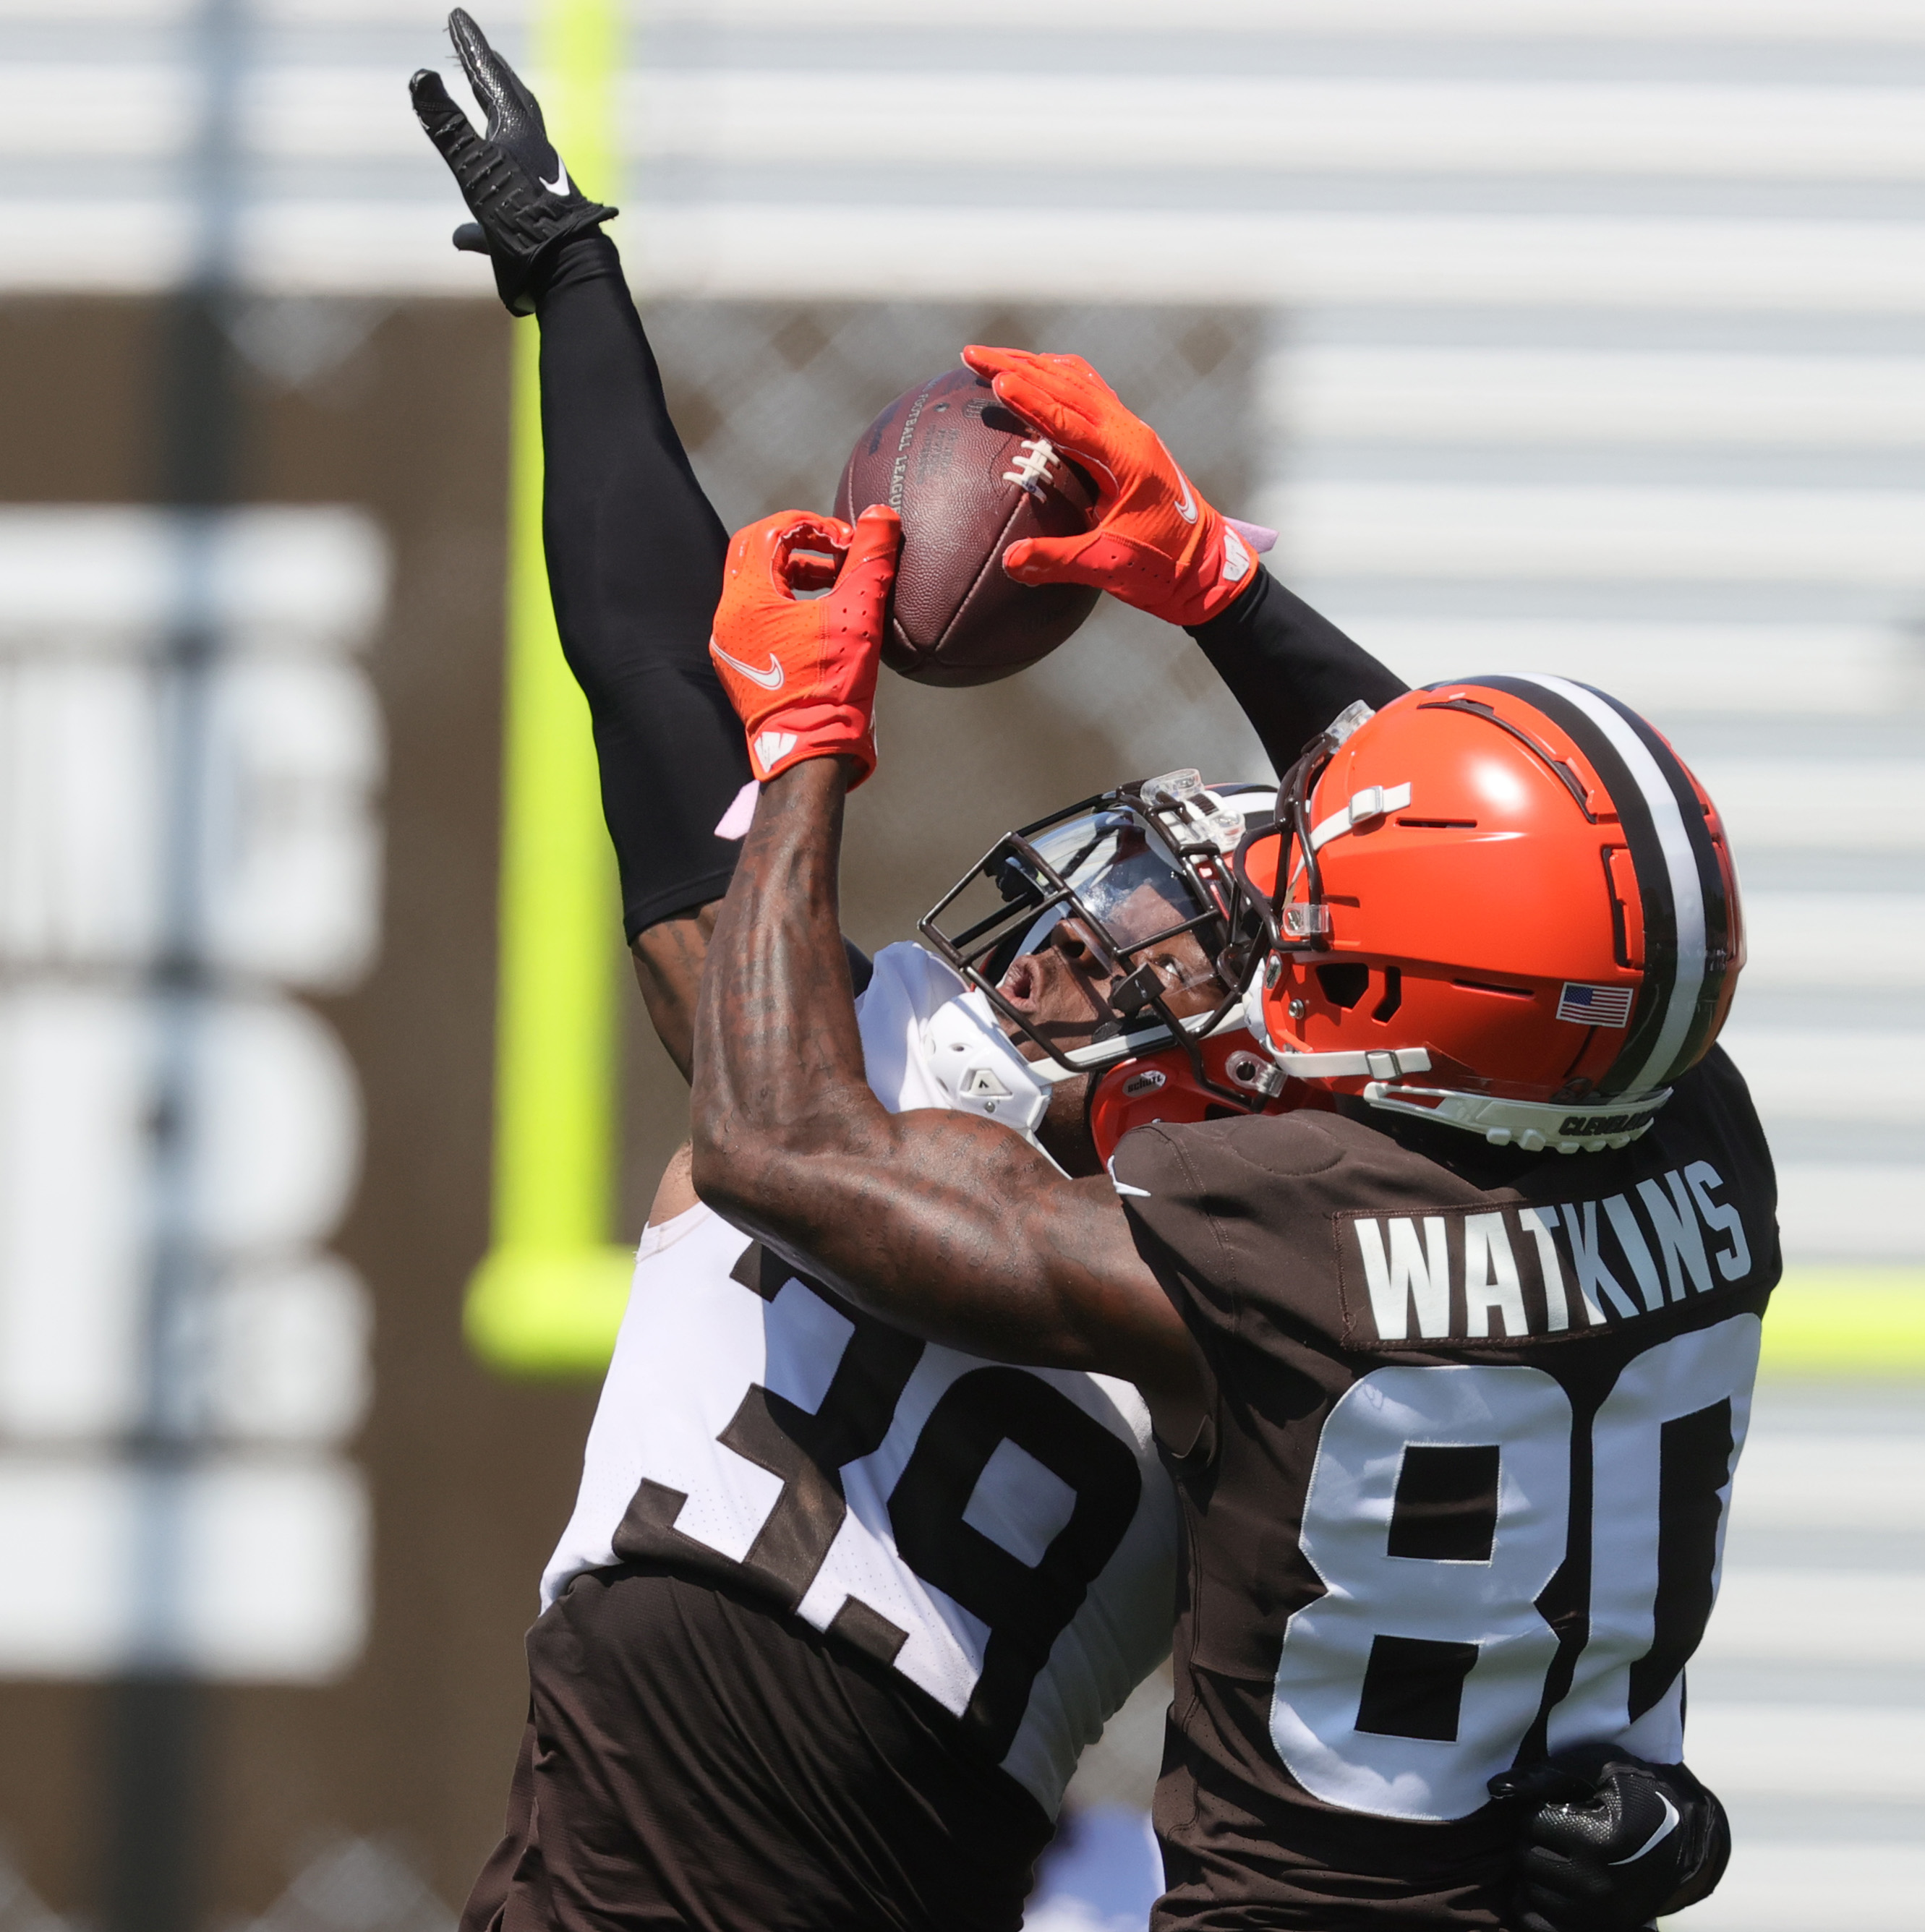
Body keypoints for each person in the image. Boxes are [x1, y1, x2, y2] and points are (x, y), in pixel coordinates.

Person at [414, 13, 1732, 1928]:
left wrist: (800, 740)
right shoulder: (1271, 1296)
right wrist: (570, 274)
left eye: (1169, 918)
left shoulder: (876, 1097)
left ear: (1257, 1042)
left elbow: (659, 696)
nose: (1088, 909)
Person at [686, 344, 1768, 1931]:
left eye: (1315, 937)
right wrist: (1214, 582)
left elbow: (777, 1145)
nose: (1286, 940)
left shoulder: (1284, 1227)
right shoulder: (1702, 1140)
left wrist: (800, 751)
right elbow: (1527, 905)